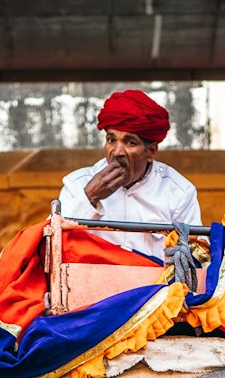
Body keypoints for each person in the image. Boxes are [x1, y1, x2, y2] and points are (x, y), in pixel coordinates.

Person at [59, 89, 202, 261]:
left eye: (130, 142)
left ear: (151, 151)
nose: (117, 152)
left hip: (155, 287)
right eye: (111, 140)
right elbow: (52, 248)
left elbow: (195, 259)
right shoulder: (76, 185)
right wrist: (89, 197)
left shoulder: (179, 192)